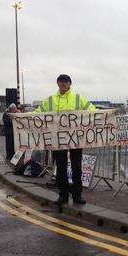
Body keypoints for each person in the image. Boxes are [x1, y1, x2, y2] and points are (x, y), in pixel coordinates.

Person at [35, 74, 95, 207]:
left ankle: (77, 195)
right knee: (60, 168)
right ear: (57, 83)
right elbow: (37, 113)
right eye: (60, 82)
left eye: (65, 82)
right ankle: (63, 195)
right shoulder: (50, 100)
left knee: (76, 167)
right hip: (58, 140)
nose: (63, 84)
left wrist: (107, 114)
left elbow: (92, 111)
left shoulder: (78, 98)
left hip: (76, 139)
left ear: (70, 83)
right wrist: (20, 117)